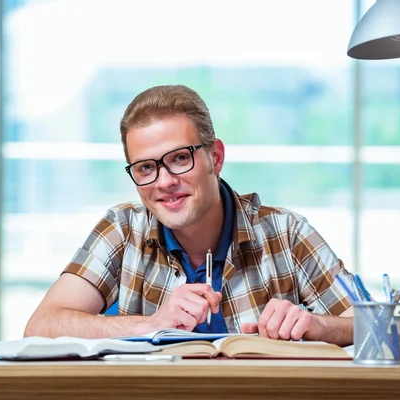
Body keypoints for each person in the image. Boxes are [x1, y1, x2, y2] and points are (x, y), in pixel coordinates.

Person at [25, 84, 358, 346]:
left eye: (180, 159)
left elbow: (379, 326)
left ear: (215, 157)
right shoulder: (122, 230)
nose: (165, 182)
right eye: (145, 168)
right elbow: (42, 326)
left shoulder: (287, 233)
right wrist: (151, 324)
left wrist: (317, 324)